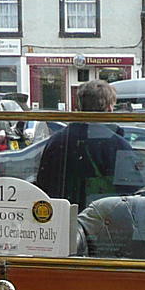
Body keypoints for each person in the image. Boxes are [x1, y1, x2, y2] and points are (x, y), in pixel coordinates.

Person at [35, 80, 133, 210]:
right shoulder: (117, 145)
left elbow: (44, 183)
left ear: (79, 107)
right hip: (102, 219)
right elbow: (129, 192)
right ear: (109, 108)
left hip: (61, 216)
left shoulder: (57, 141)